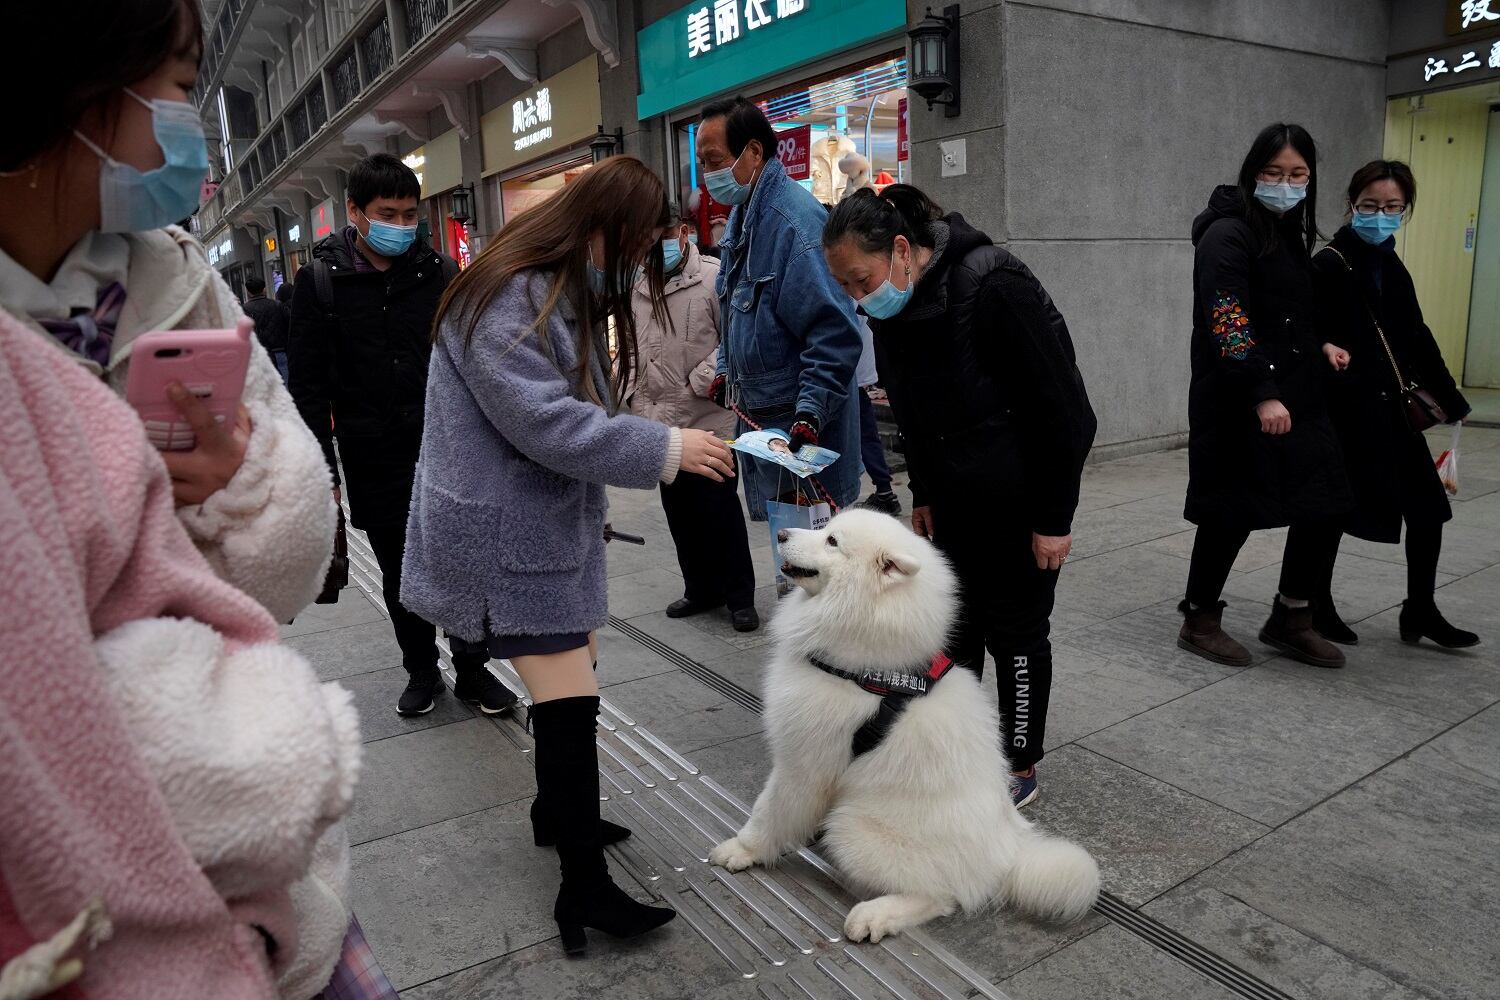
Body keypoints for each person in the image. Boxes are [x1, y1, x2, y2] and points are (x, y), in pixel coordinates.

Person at [0, 2, 361, 996]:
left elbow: (293, 550)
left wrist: (242, 485)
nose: (185, 118)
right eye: (173, 85)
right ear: (79, 89)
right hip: (79, 878)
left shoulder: (177, 276)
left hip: (245, 844)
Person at [401, 156, 734, 955]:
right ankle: (582, 889)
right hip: (506, 534)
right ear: (602, 228)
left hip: (538, 526)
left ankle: (557, 816)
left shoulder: (544, 281)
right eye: (639, 238)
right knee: (570, 699)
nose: (643, 256)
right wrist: (666, 447)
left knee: (572, 670)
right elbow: (546, 422)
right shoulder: (503, 293)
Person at [822, 185, 1097, 808]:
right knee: (955, 632)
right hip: (953, 504)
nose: (860, 300)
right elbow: (915, 418)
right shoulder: (893, 314)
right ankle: (957, 747)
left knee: (1018, 634)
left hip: (1021, 503)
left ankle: (1019, 761)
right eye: (847, 289)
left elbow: (1066, 414)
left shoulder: (992, 284)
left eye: (863, 280)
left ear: (901, 249)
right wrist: (924, 492)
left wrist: (1054, 518)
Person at [289, 153, 516, 718]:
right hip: (373, 455)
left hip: (446, 449)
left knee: (463, 561)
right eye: (386, 213)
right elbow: (309, 392)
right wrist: (324, 475)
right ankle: (421, 670)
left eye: (409, 213)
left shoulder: (438, 273)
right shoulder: (319, 284)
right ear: (355, 213)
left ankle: (473, 669)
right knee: (400, 570)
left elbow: (473, 362)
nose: (399, 224)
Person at [1180, 123, 1353, 669]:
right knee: (1230, 509)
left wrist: (1321, 342)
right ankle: (1200, 618)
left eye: (1298, 174)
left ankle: (1292, 615)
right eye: (1274, 173)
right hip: (1239, 397)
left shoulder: (1290, 230)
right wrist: (1262, 393)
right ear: (1253, 173)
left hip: (1299, 393)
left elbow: (1289, 311)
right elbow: (1228, 319)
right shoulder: (1227, 234)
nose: (1286, 183)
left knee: (1325, 501)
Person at [1312, 160, 1478, 648]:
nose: (1380, 215)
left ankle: (1420, 610)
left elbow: (1416, 337)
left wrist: (1450, 398)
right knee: (1334, 513)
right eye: (1370, 206)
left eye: (1392, 207)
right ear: (1351, 205)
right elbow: (1308, 329)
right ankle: (1315, 606)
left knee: (1429, 510)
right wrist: (1327, 348)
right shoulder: (1331, 262)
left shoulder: (1391, 262)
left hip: (1393, 414)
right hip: (1350, 413)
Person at [696, 97, 864, 520]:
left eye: (714, 159)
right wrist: (724, 370)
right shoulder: (744, 215)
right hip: (767, 430)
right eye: (701, 162)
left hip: (801, 441)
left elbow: (833, 332)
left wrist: (810, 413)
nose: (707, 173)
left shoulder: (793, 222)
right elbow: (739, 316)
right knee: (793, 561)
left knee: (819, 563)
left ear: (753, 152)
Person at [625, 214, 760, 632]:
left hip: (707, 420)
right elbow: (633, 345)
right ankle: (700, 588)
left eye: (664, 236)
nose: (657, 247)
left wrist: (697, 381)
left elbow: (733, 342)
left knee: (719, 509)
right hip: (661, 423)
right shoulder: (638, 284)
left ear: (683, 233)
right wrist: (632, 398)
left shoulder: (714, 280)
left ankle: (740, 597)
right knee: (679, 511)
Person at [853, 316, 901, 515]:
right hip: (855, 375)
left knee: (865, 435)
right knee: (867, 434)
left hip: (848, 375)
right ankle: (885, 491)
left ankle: (885, 492)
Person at [243, 274, 290, 383]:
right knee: (286, 383)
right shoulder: (277, 305)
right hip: (280, 351)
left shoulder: (245, 309)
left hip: (259, 354)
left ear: (248, 292)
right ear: (264, 289)